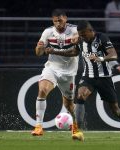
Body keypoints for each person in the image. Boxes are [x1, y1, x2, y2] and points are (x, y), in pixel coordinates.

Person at [74, 20, 120, 140]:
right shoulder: (80, 41)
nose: (82, 36)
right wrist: (56, 51)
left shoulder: (101, 38)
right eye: (80, 35)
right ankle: (78, 131)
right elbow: (73, 52)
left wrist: (100, 58)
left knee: (115, 108)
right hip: (88, 76)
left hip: (104, 78)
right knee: (80, 96)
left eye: (83, 34)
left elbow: (113, 54)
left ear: (90, 30)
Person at [31, 9, 84, 141]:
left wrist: (54, 50)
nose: (58, 23)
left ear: (65, 18)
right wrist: (40, 47)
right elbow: (38, 53)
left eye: (60, 20)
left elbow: (75, 53)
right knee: (42, 89)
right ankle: (38, 126)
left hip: (69, 72)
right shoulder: (48, 32)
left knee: (69, 105)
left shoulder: (74, 31)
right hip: (52, 69)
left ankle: (76, 129)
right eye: (55, 21)